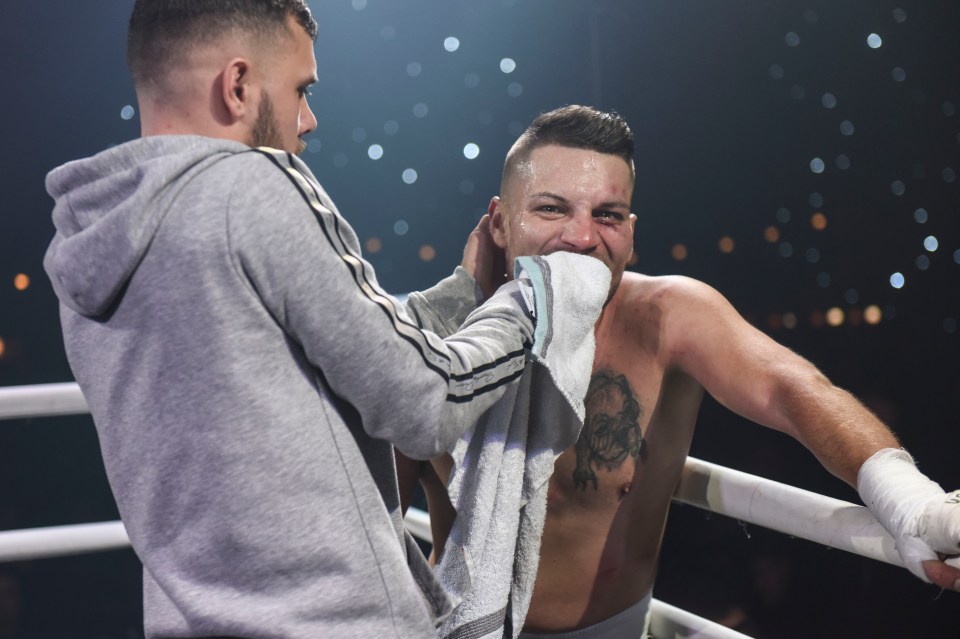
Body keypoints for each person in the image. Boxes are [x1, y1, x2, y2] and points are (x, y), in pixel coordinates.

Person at [41, 3, 608, 637]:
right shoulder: (256, 186)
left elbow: (309, 360)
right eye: (300, 90)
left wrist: (457, 297)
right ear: (236, 85)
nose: (308, 120)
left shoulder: (89, 236)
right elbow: (426, 404)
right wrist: (531, 305)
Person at [400, 104, 960, 638]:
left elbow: (793, 389)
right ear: (499, 223)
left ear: (632, 232)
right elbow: (373, 511)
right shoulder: (432, 340)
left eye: (607, 215)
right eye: (552, 208)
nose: (582, 237)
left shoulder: (666, 317)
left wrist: (906, 501)